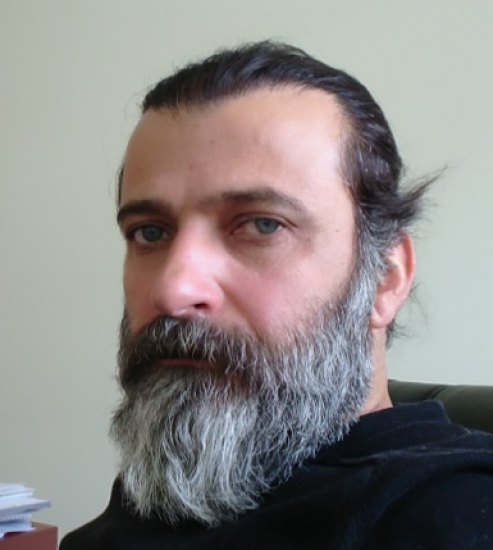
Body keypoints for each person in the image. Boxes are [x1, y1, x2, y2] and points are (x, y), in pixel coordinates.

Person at [60, 41, 493, 549]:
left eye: (262, 224)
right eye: (149, 232)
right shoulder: (170, 489)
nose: (173, 291)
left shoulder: (451, 514)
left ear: (386, 277)